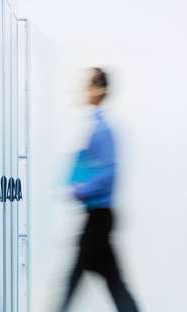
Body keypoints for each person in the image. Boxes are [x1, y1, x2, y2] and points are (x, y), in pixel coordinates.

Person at [58, 68, 140, 312]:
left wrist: (80, 188)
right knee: (112, 284)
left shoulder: (102, 130)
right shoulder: (95, 126)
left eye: (89, 84)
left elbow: (109, 173)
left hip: (99, 217)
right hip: (97, 216)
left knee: (79, 281)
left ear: (99, 89)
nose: (85, 90)